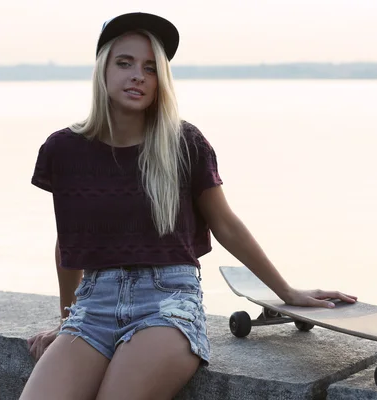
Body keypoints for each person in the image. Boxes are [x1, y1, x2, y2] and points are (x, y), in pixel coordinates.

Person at [21, 12, 358, 400]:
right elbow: (68, 243)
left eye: (150, 68)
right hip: (92, 309)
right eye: (125, 62)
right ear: (103, 69)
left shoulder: (184, 143)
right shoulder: (64, 149)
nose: (138, 76)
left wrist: (285, 290)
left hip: (166, 306)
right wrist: (67, 321)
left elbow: (225, 224)